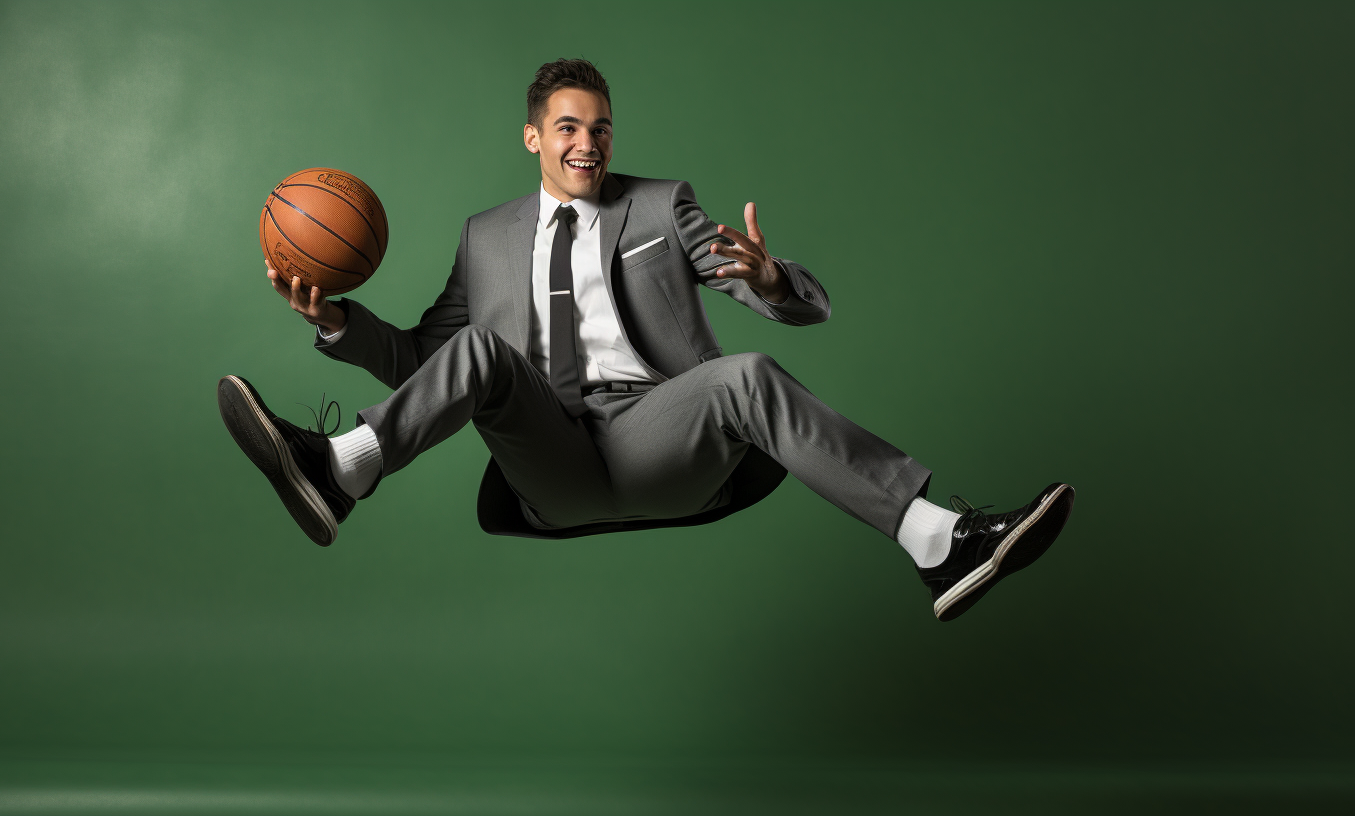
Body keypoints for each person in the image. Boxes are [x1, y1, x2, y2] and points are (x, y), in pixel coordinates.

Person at [217, 59, 1074, 621]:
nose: (587, 144)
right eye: (568, 128)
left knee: (746, 373)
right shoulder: (486, 238)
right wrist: (339, 324)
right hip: (551, 460)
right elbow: (423, 366)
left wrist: (771, 283)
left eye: (600, 129)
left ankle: (936, 540)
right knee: (478, 353)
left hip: (665, 437)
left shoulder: (661, 207)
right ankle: (343, 470)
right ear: (533, 137)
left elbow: (788, 300)